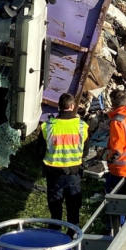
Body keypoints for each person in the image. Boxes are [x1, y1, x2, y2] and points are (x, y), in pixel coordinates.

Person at [40, 93, 89, 228]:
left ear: (59, 107)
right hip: (74, 173)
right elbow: (85, 151)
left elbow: (40, 151)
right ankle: (73, 235)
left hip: (54, 174)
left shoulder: (48, 126)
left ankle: (55, 234)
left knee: (55, 207)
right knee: (73, 208)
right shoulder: (81, 126)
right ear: (73, 106)